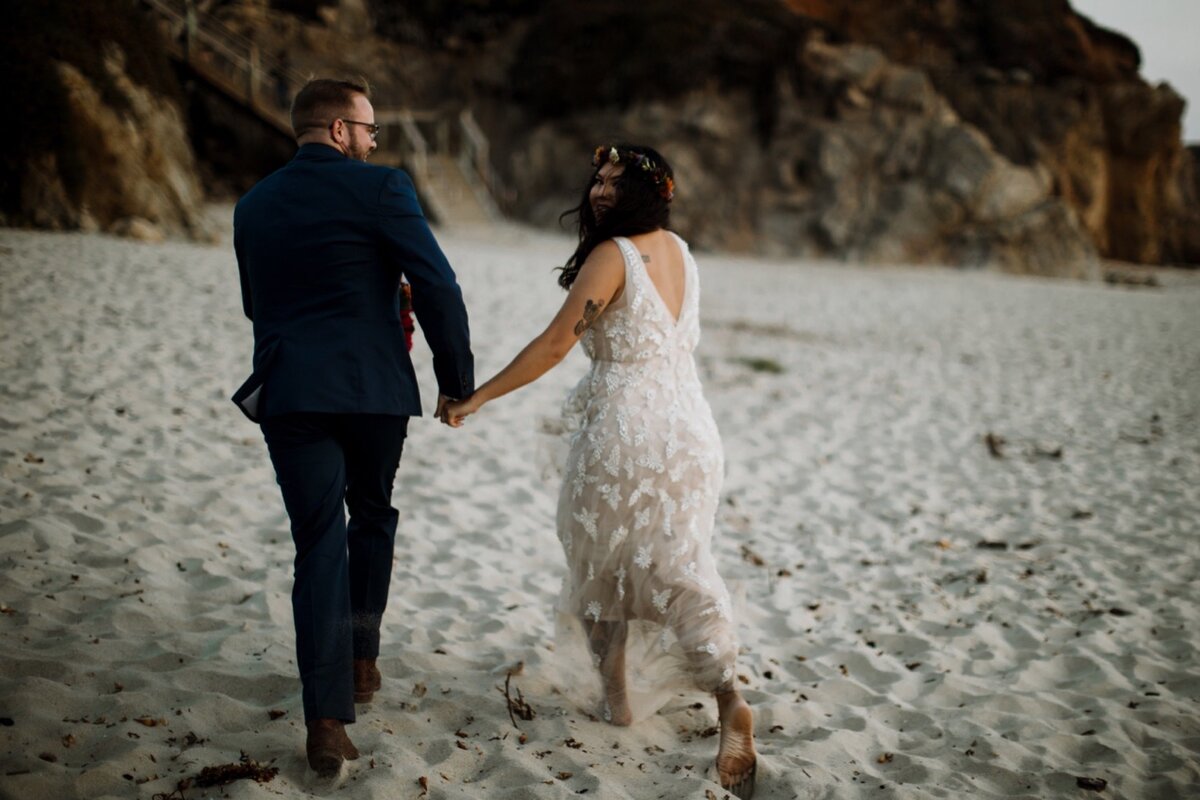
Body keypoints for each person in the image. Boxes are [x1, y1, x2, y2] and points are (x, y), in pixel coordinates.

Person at [442, 145, 756, 797]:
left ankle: (618, 700)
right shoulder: (681, 251)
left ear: (650, 192)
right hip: (692, 428)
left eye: (617, 182)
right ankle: (729, 698)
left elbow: (557, 344)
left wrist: (478, 396)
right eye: (598, 179)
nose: (601, 191)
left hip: (624, 430)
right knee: (685, 563)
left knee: (599, 560)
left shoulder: (611, 257)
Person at [231, 78, 473, 776]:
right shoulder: (382, 189)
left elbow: (256, 302)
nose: (373, 141)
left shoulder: (253, 204)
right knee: (371, 514)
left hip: (291, 390)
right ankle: (363, 654)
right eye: (367, 129)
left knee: (317, 544)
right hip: (371, 390)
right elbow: (437, 284)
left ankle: (327, 718)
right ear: (339, 130)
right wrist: (456, 379)